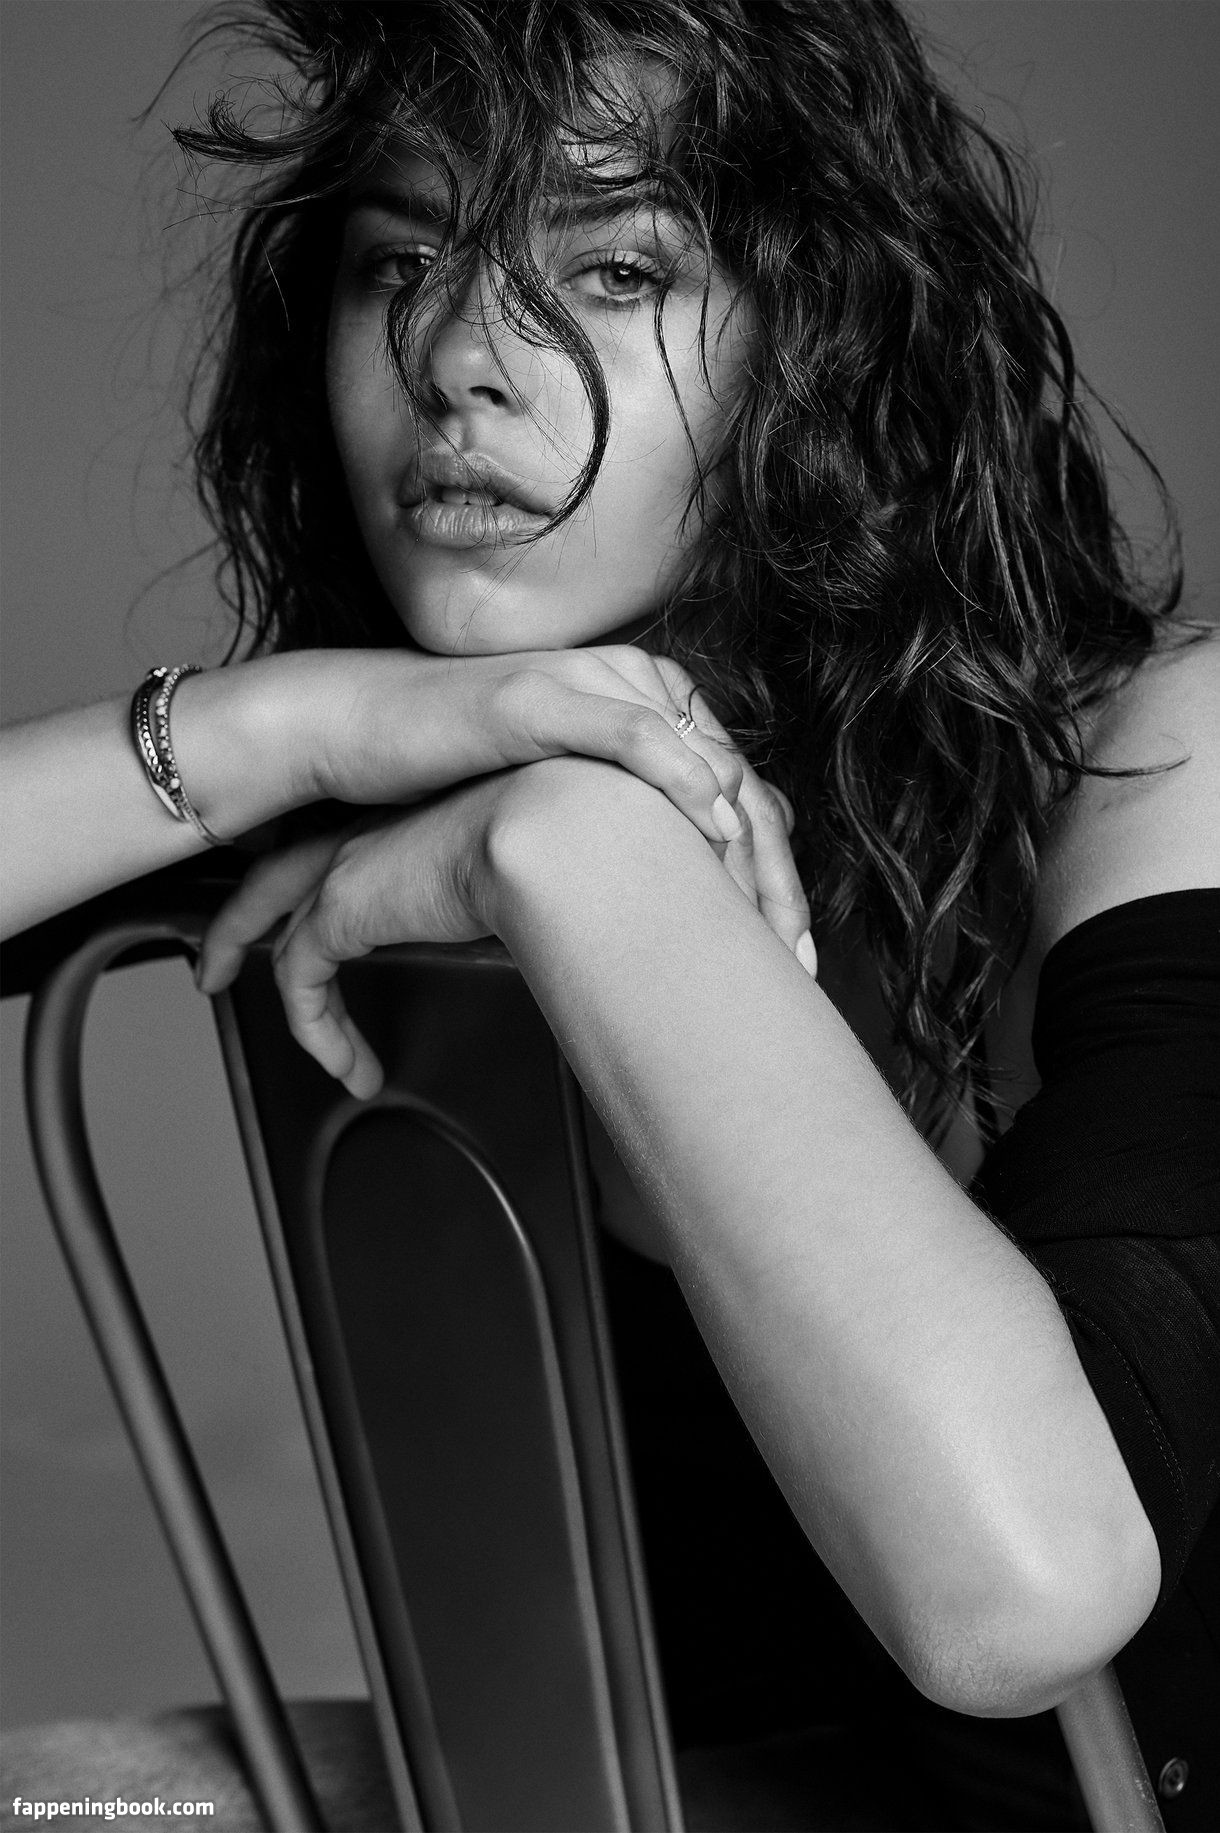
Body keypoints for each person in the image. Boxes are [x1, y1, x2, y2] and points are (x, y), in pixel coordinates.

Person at [2, 2, 1216, 1830]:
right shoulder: (405, 772)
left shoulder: (1158, 759)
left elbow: (1026, 1594)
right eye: (399, 261)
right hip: (632, 1794)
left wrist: (578, 841)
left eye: (618, 268)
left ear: (825, 348)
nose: (459, 357)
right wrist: (286, 725)